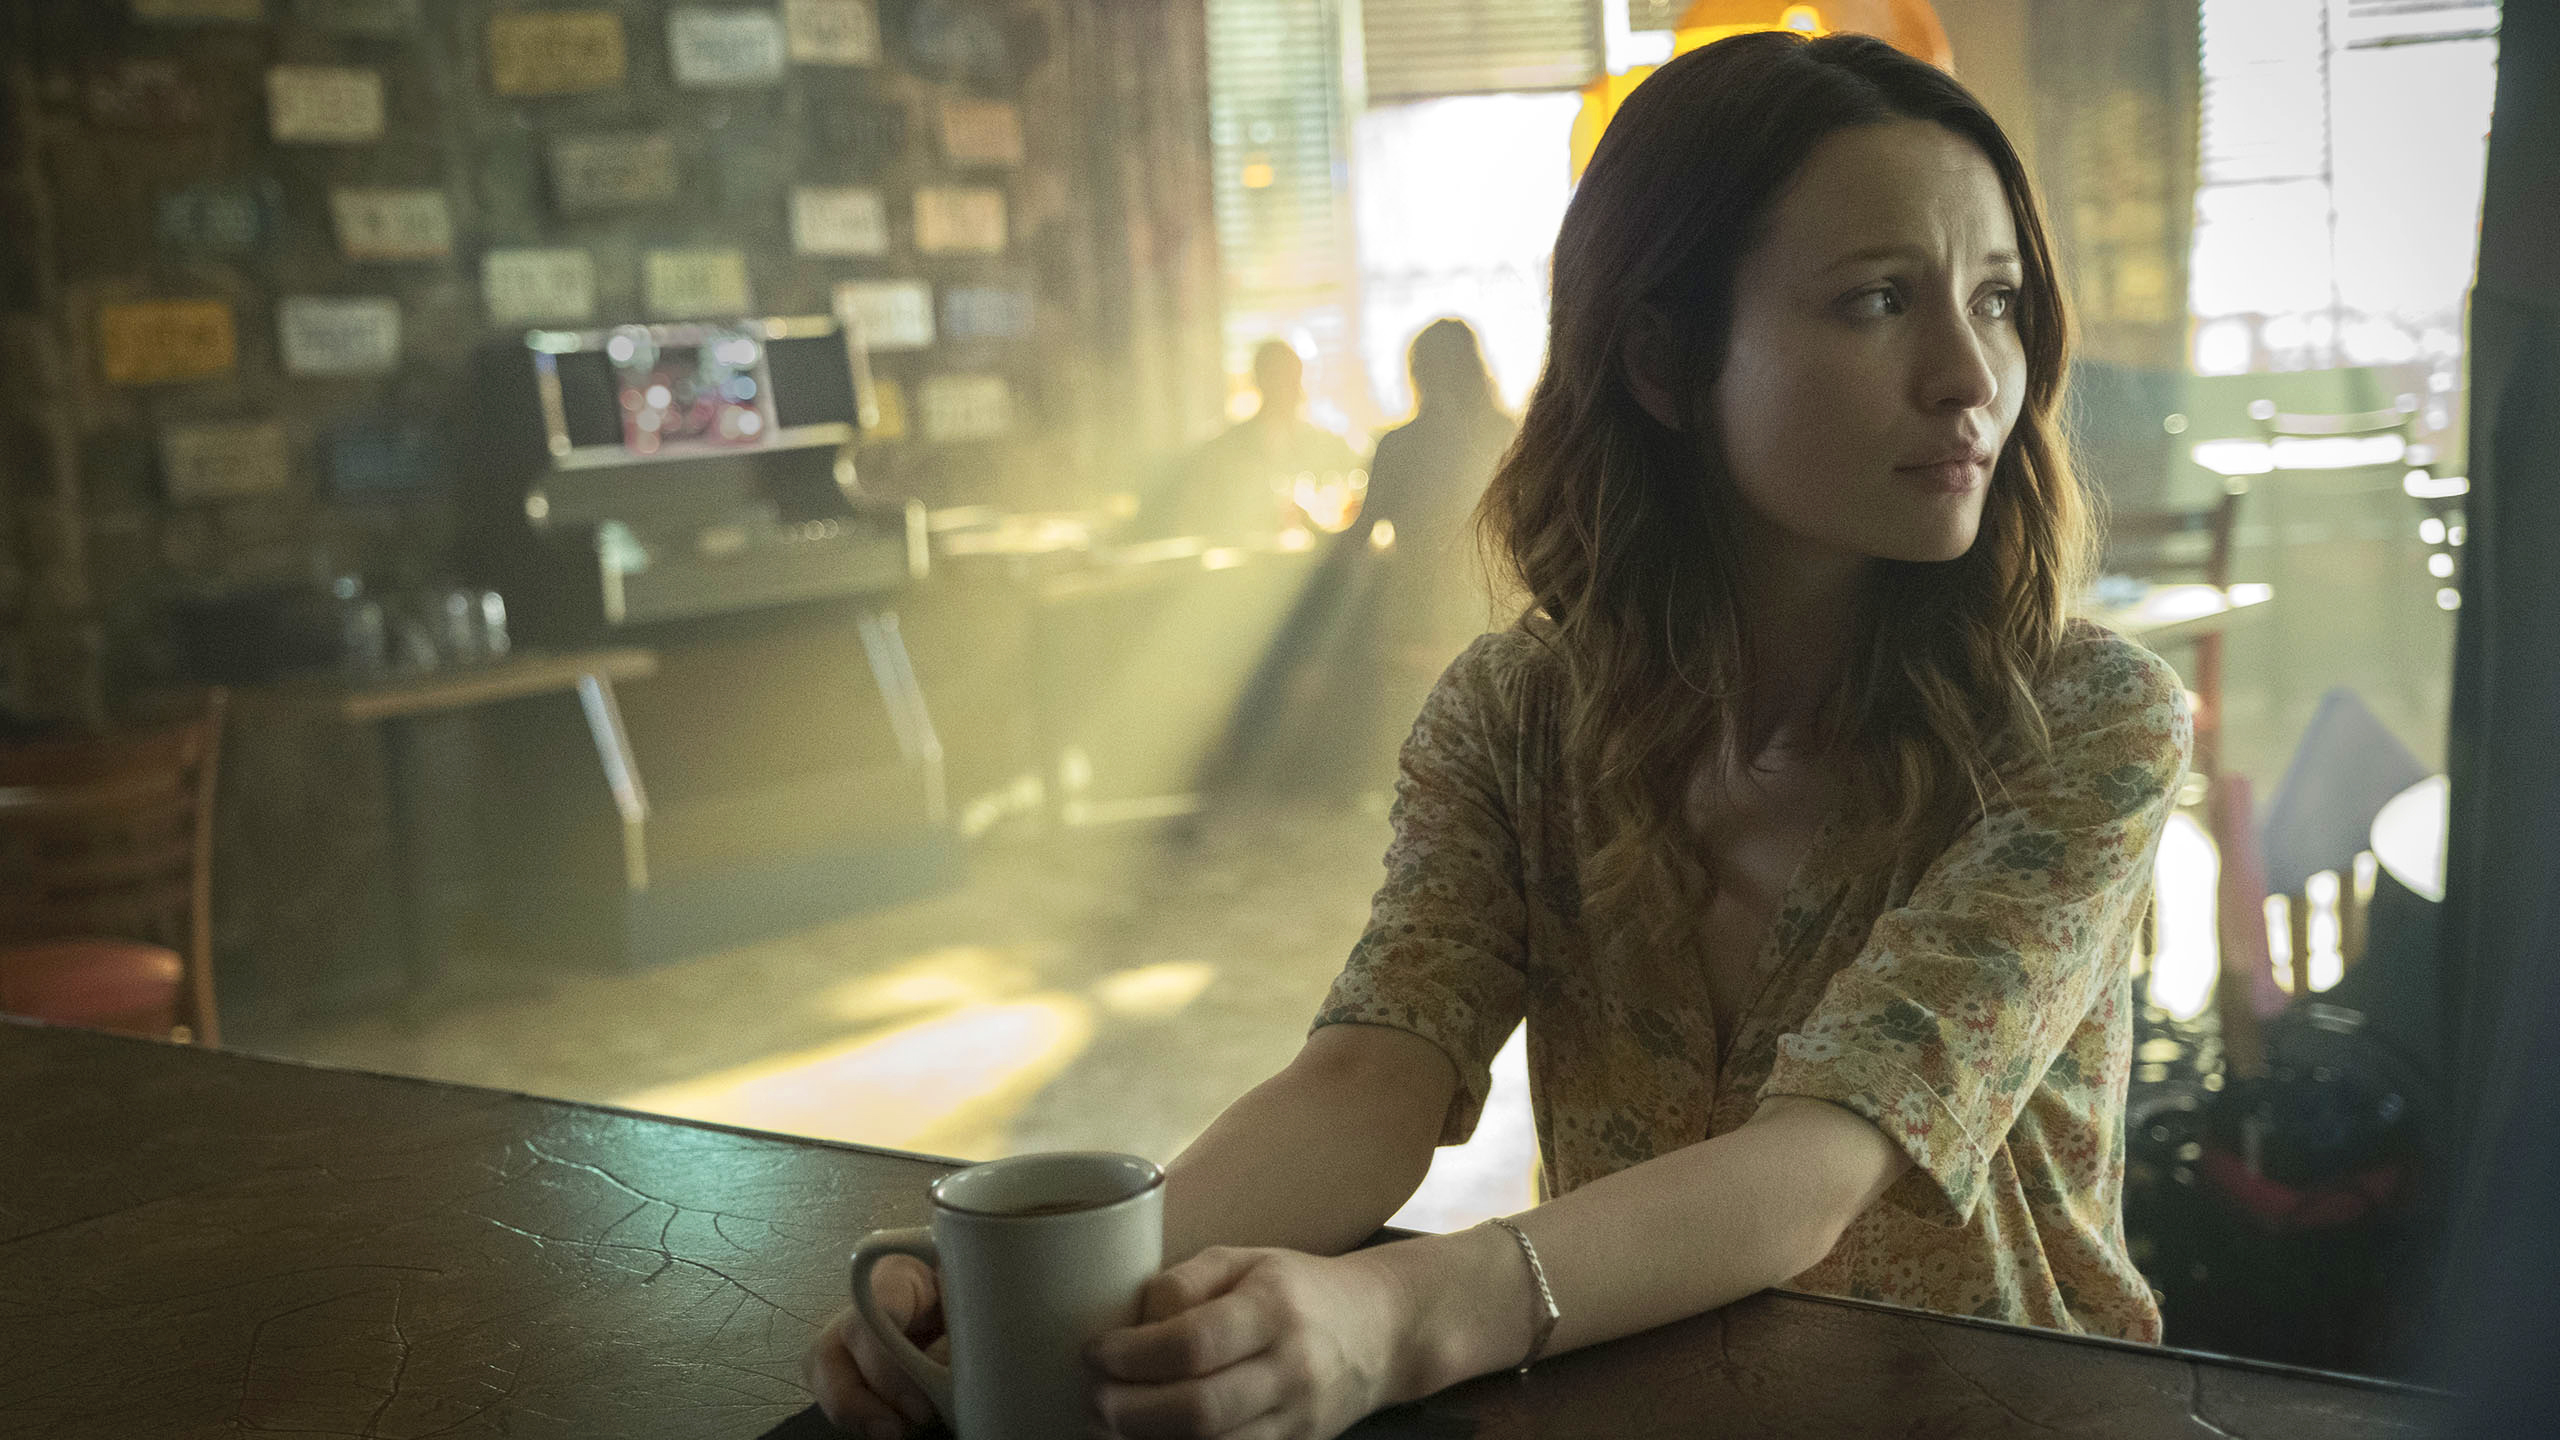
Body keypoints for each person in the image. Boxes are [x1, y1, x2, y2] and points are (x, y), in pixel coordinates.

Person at [807, 30, 2190, 1440]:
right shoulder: (1516, 715)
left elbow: (1821, 1161)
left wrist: (1394, 1320)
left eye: (1999, 299)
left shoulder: (2086, 721)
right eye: (1878, 299)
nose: (1971, 375)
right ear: (1662, 357)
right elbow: (1374, 1076)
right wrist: (1038, 1301)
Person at [1160, 340, 1365, 540]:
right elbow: (1192, 522)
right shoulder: (1222, 451)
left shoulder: (1329, 445)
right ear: (1260, 380)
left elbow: (1359, 486)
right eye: (1278, 377)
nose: (1289, 388)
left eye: (1293, 378)